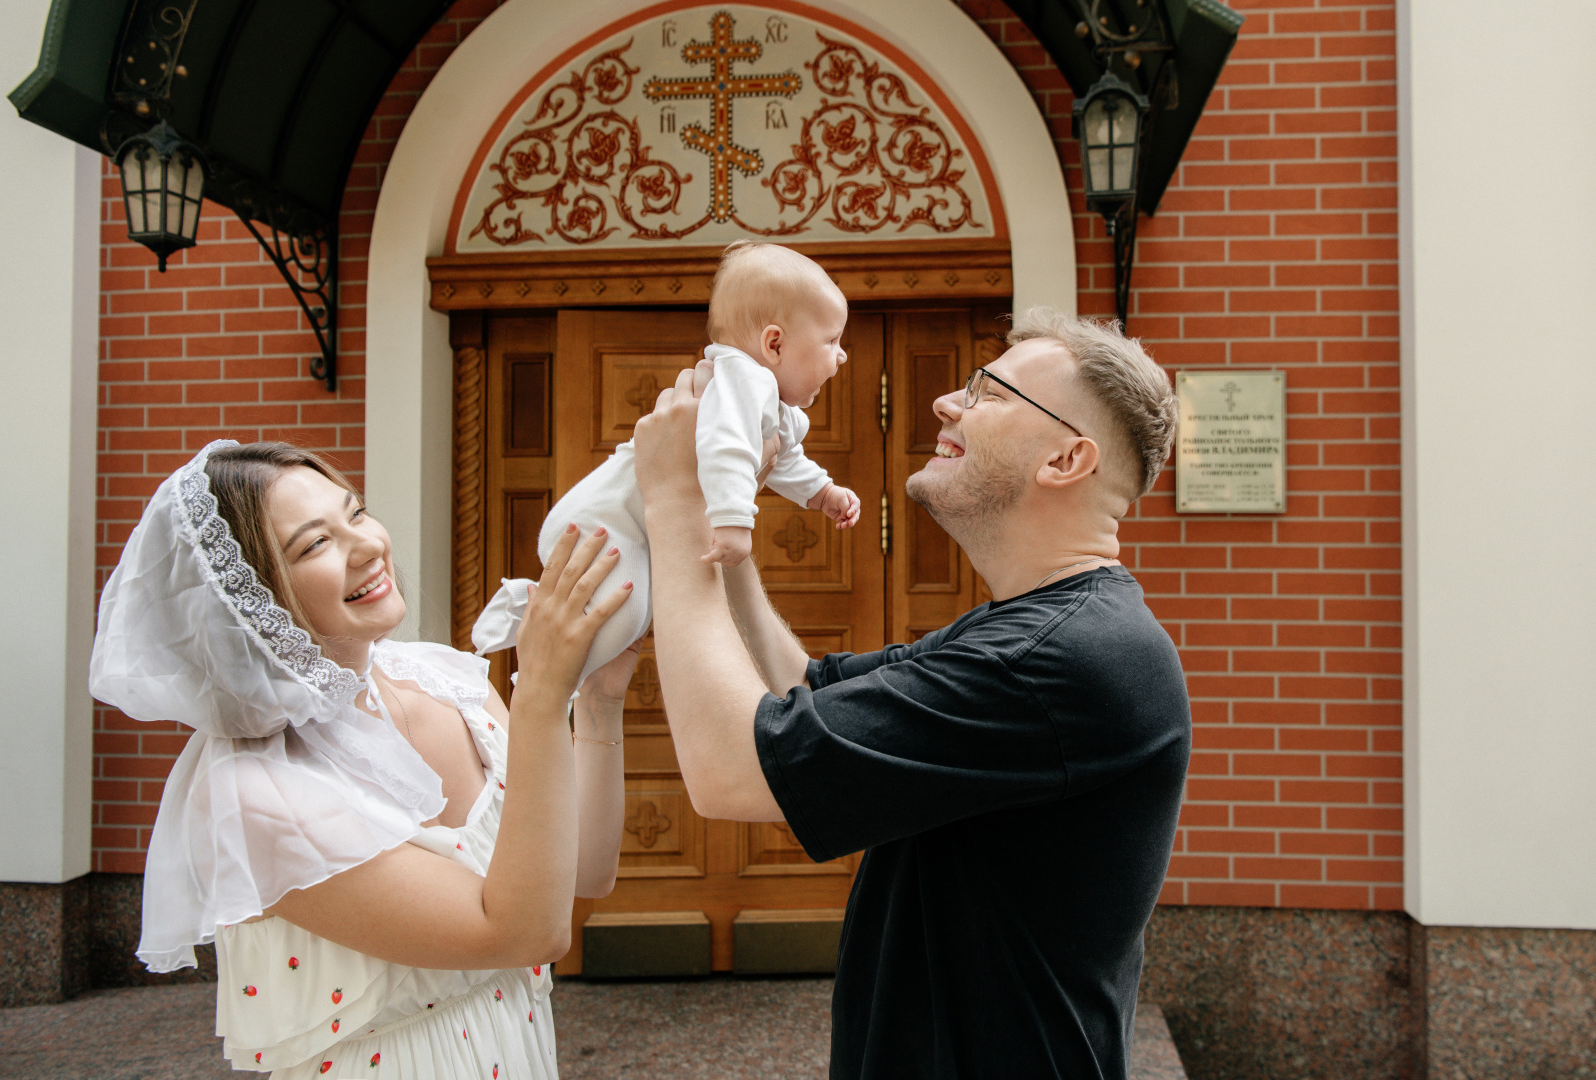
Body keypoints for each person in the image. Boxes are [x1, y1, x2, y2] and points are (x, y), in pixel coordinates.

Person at [632, 309, 1193, 1080]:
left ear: (1066, 458)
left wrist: (671, 506)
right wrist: (726, 515)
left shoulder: (1057, 660)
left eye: (988, 393)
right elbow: (795, 686)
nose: (946, 404)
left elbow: (732, 770)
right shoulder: (1036, 633)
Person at [88, 440, 636, 1079]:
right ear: (247, 601)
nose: (369, 544)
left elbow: (585, 873)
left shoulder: (445, 678)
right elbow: (523, 933)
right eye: (314, 544)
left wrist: (598, 697)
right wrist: (542, 693)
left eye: (356, 513)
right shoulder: (250, 791)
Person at [471, 240, 861, 680]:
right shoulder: (745, 379)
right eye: (831, 340)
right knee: (624, 611)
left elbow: (782, 459)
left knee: (633, 613)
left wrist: (821, 491)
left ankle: (547, 636)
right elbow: (727, 447)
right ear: (774, 344)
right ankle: (545, 667)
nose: (842, 354)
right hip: (609, 517)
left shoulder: (770, 405)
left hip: (636, 523)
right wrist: (733, 520)